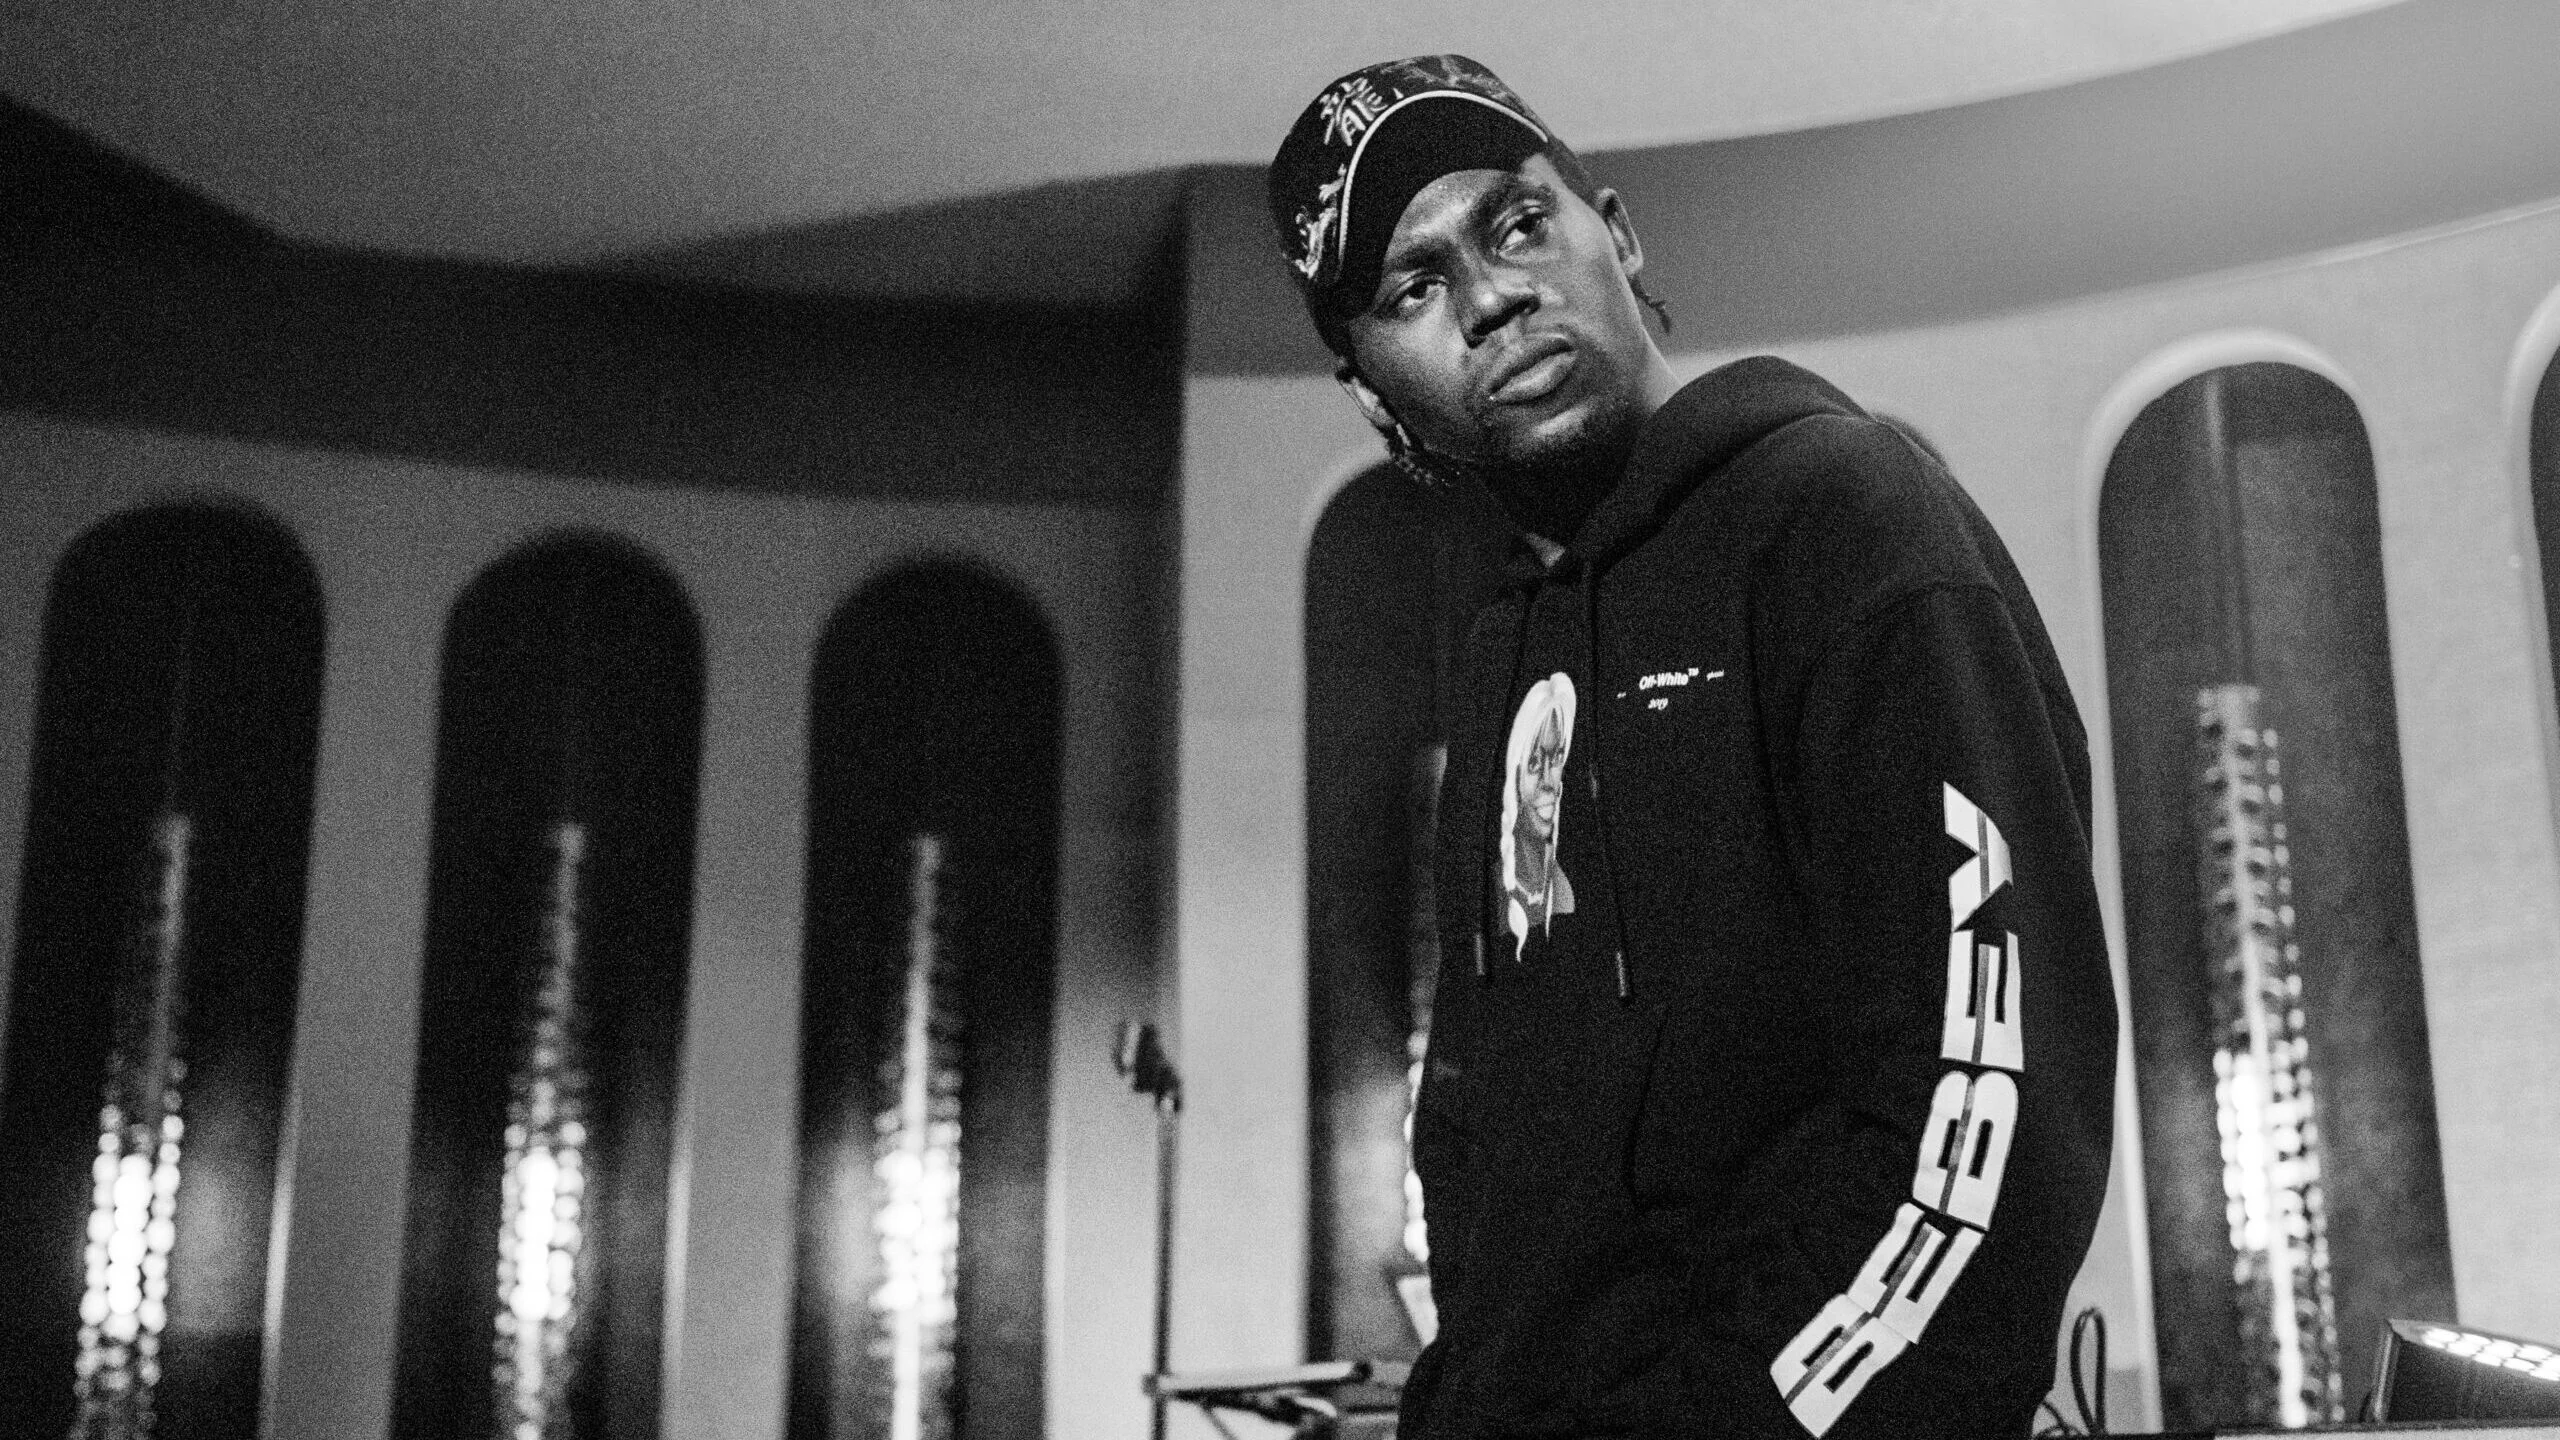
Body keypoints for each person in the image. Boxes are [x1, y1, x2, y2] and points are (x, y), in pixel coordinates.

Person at [1268, 57, 2119, 1440]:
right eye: (1415, 289)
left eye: (1518, 225)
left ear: (1619, 233)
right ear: (1375, 398)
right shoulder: (1502, 653)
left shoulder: (1843, 516)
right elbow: (1485, 1153)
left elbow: (1984, 1106)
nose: (1492, 299)